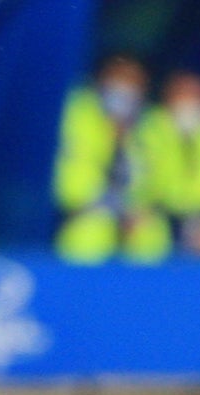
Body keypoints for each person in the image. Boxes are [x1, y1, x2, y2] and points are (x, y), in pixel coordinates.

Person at [53, 53, 164, 263]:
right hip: (86, 211)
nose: (125, 87)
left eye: (133, 81)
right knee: (89, 233)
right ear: (101, 80)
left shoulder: (149, 124)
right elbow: (73, 186)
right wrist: (110, 133)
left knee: (151, 234)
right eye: (119, 77)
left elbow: (153, 184)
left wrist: (135, 209)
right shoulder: (78, 112)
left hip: (129, 213)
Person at [140, 69, 200, 260]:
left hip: (198, 220)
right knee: (146, 236)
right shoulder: (146, 129)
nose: (191, 102)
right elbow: (146, 190)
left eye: (197, 96)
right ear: (167, 98)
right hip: (154, 216)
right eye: (184, 94)